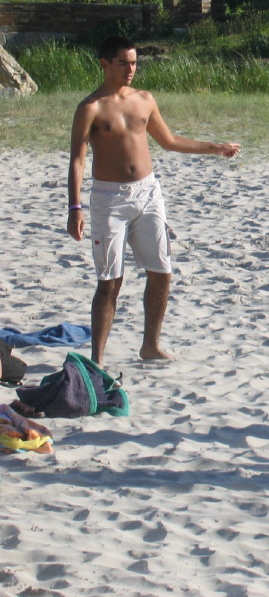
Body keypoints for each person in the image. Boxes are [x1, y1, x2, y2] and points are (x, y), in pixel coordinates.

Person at [67, 36, 241, 367]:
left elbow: (169, 140)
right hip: (109, 199)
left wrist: (216, 148)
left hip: (147, 194)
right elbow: (77, 159)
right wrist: (74, 207)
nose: (131, 69)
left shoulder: (144, 99)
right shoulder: (90, 107)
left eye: (134, 63)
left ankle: (150, 345)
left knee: (161, 273)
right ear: (105, 64)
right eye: (123, 63)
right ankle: (97, 359)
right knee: (110, 281)